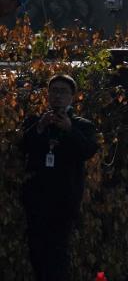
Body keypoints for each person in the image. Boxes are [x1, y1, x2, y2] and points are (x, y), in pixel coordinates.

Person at [22, 74, 99, 281]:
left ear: (72, 96)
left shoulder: (83, 125)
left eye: (63, 92)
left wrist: (69, 130)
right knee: (36, 252)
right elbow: (22, 147)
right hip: (37, 198)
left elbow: (88, 150)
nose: (57, 96)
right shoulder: (35, 121)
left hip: (65, 198)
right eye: (53, 91)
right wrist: (39, 127)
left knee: (57, 252)